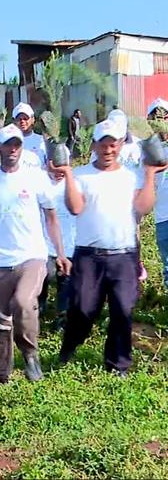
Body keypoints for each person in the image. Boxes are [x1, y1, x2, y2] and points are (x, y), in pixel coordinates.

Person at [55, 119, 161, 377]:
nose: (108, 150)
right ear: (93, 145)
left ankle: (118, 365)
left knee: (122, 310)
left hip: (123, 256)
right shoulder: (81, 175)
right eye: (103, 144)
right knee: (83, 309)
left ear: (121, 144)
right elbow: (75, 208)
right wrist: (67, 174)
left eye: (113, 144)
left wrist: (149, 174)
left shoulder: (131, 176)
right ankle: (69, 346)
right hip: (89, 257)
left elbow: (143, 208)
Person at [0, 125, 70, 384]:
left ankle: (30, 355)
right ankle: (1, 375)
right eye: (8, 144)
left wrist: (60, 253)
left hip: (32, 256)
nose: (13, 149)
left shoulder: (36, 178)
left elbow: (51, 218)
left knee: (24, 302)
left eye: (17, 144)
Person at [41, 164, 76, 332]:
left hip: (69, 244)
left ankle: (61, 319)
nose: (59, 172)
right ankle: (39, 309)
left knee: (66, 282)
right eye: (55, 167)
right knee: (45, 276)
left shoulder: (75, 184)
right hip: (45, 244)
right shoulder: (40, 183)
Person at [148, 99, 168, 285]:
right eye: (156, 117)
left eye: (164, 116)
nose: (160, 121)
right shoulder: (147, 149)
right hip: (162, 218)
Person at [12, 103, 46, 167]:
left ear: (32, 119)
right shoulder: (9, 142)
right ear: (14, 121)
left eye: (25, 118)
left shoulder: (42, 141)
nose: (22, 121)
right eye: (19, 119)